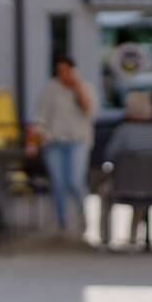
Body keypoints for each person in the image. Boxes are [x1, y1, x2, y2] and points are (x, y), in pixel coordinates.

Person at [28, 55, 96, 232]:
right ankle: (62, 222)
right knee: (58, 183)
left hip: (77, 141)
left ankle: (83, 216)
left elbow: (88, 109)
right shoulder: (51, 88)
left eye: (66, 71)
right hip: (54, 141)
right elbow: (39, 116)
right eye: (59, 71)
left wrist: (77, 86)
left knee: (75, 180)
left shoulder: (85, 87)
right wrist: (35, 140)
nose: (63, 75)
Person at [102, 91, 152, 245]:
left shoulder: (122, 131)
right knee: (143, 190)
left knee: (105, 191)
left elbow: (109, 155)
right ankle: (134, 234)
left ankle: (105, 238)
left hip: (123, 186)